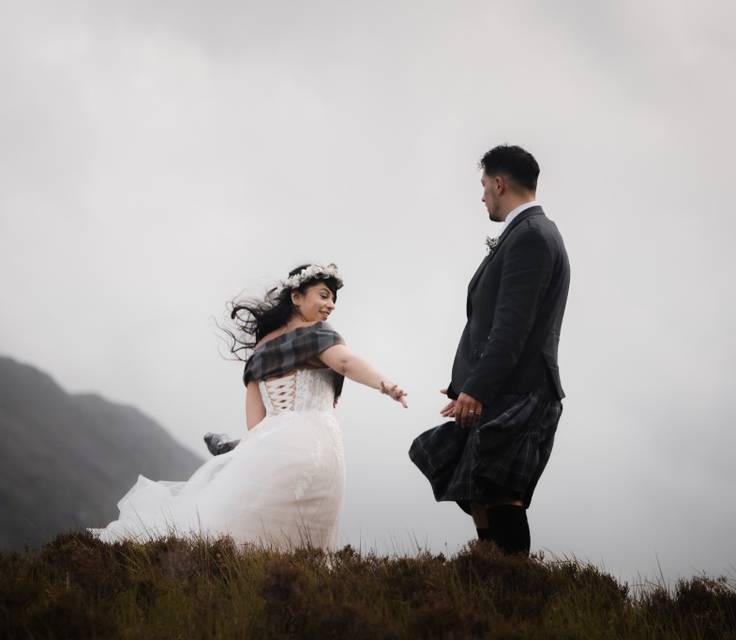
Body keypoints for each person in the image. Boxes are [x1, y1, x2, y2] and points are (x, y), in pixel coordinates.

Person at [91, 263, 408, 550]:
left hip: (273, 445)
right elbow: (345, 362)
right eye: (324, 296)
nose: (330, 305)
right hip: (317, 445)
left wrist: (248, 452)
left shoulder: (260, 350)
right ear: (296, 297)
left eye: (333, 301)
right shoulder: (318, 335)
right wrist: (386, 385)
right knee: (304, 539)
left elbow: (256, 422)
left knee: (243, 531)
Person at [409, 145, 570, 555]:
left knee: (501, 496)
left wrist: (478, 389)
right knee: (478, 491)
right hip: (505, 387)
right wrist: (463, 385)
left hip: (518, 389)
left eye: (484, 186)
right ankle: (491, 586)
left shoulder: (531, 237)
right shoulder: (528, 233)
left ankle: (515, 595)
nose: (482, 196)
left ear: (499, 184)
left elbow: (511, 329)